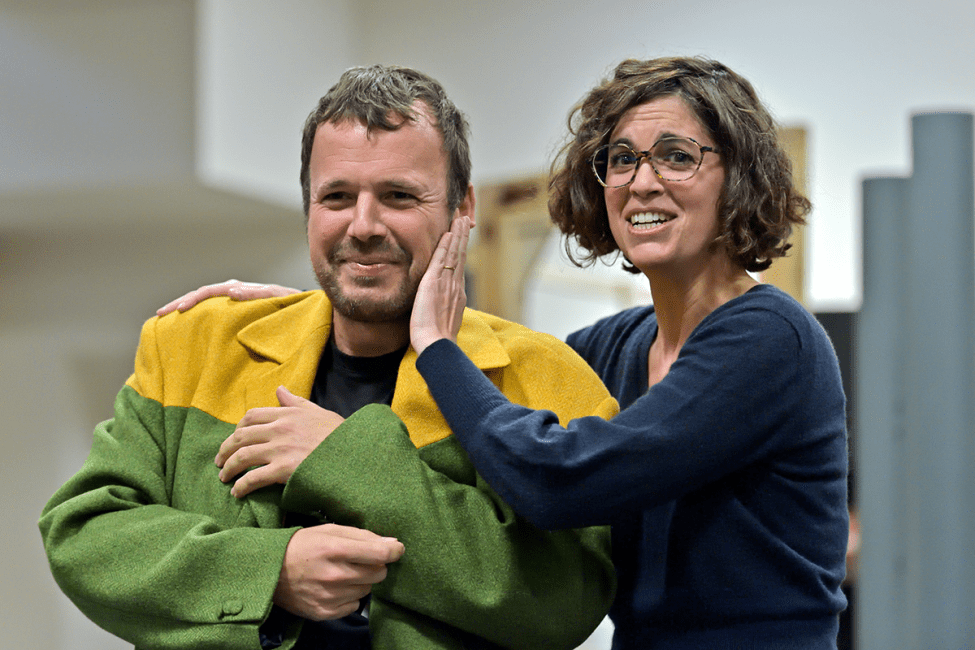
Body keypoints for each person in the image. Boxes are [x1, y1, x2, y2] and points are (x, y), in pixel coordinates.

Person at [179, 57, 850, 649]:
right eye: (621, 158)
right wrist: (324, 306)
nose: (642, 180)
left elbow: (559, 480)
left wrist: (435, 347)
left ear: (737, 178)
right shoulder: (618, 345)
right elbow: (493, 387)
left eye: (676, 155)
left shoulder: (768, 339)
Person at [39, 64, 617, 650]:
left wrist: (343, 459)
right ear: (309, 207)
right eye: (337, 196)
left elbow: (565, 597)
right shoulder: (192, 344)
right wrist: (273, 571)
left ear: (461, 208)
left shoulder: (546, 376)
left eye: (398, 196)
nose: (363, 226)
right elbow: (86, 535)